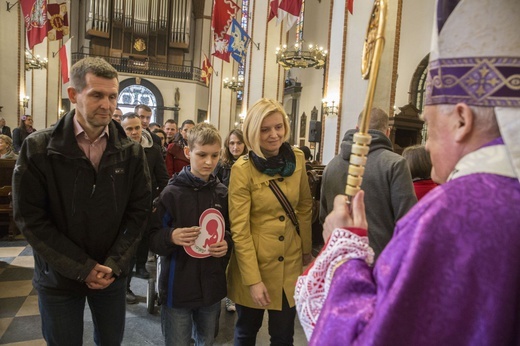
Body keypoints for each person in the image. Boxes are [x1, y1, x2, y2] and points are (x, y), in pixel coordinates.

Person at [295, 1, 520, 344]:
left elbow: (369, 336)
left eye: (429, 126)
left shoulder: (451, 214)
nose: (426, 146)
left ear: (462, 120)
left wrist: (344, 253)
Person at [12, 57, 152, 345]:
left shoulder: (131, 152)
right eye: (97, 95)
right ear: (74, 95)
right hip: (59, 277)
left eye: (113, 96)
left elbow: (138, 214)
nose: (107, 104)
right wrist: (82, 267)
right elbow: (30, 218)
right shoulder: (39, 148)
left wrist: (113, 263)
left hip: (110, 273)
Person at [226, 98, 313, 345]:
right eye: (265, 129)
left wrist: (306, 252)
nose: (274, 135)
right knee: (246, 331)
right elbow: (240, 230)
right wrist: (253, 280)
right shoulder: (242, 169)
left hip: (290, 263)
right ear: (253, 132)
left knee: (284, 335)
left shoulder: (297, 158)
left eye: (278, 127)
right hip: (255, 263)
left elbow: (305, 207)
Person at [149, 122, 232, 345]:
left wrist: (226, 244)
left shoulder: (222, 193)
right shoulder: (171, 193)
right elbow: (152, 237)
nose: (209, 162)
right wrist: (171, 236)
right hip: (178, 288)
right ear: (188, 152)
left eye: (215, 156)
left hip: (211, 287)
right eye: (202, 154)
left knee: (207, 340)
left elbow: (231, 233)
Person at [320, 108, 417, 259]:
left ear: (357, 128)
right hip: (380, 261)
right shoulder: (395, 164)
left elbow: (324, 216)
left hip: (338, 258)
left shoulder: (332, 165)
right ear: (388, 132)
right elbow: (408, 222)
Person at [121, 112, 169, 303]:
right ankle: (124, 287)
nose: (134, 132)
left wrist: (159, 201)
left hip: (147, 203)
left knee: (142, 240)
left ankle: (141, 266)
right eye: (129, 129)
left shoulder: (154, 149)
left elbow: (163, 178)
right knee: (125, 249)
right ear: (123, 130)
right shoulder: (118, 150)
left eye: (137, 127)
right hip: (124, 207)